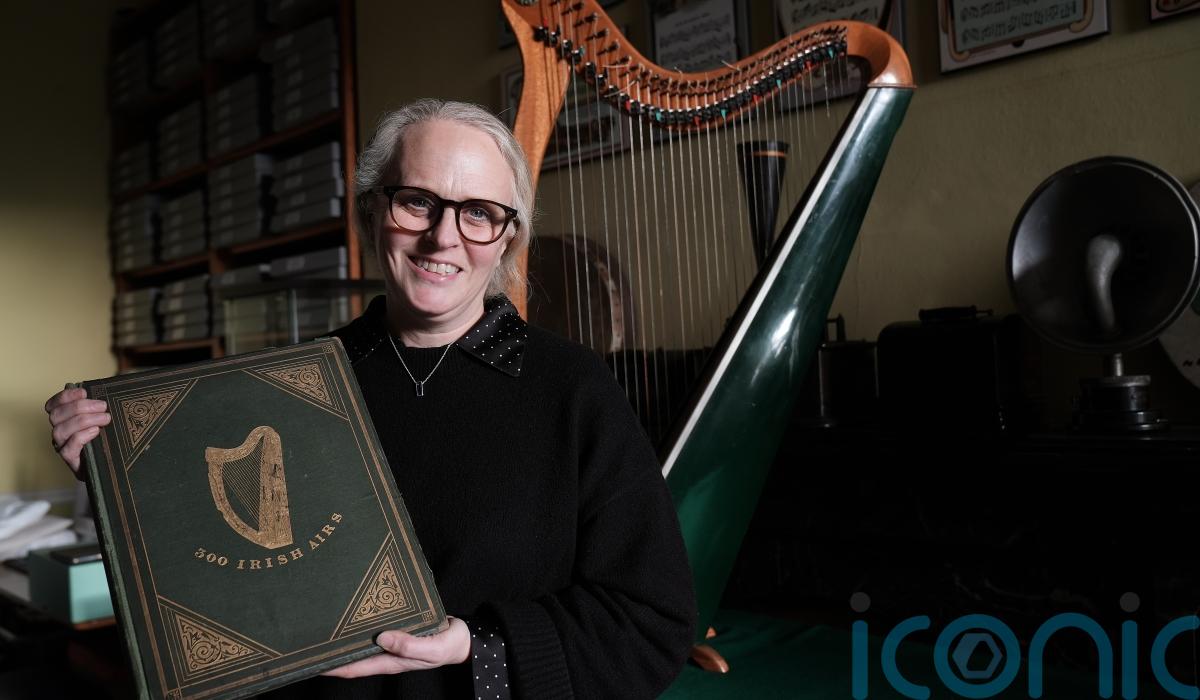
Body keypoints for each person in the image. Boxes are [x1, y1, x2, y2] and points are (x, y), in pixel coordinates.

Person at [45, 98, 696, 699]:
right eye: (417, 201)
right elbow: (224, 585)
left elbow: (651, 624)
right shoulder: (290, 384)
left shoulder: (573, 388)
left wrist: (476, 647)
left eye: (478, 212)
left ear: (507, 237)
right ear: (370, 213)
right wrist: (121, 477)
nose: (443, 237)